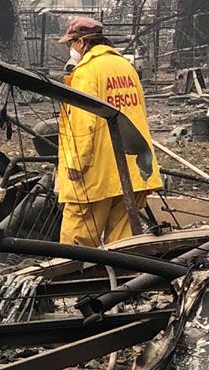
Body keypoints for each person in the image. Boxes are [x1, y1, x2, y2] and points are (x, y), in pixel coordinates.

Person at [56, 16, 163, 246]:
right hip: (132, 169)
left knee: (77, 241)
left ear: (82, 43)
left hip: (97, 173)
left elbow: (84, 122)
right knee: (123, 242)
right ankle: (121, 279)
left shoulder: (86, 71)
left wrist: (76, 163)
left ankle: (77, 280)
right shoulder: (125, 66)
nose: (70, 49)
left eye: (70, 44)